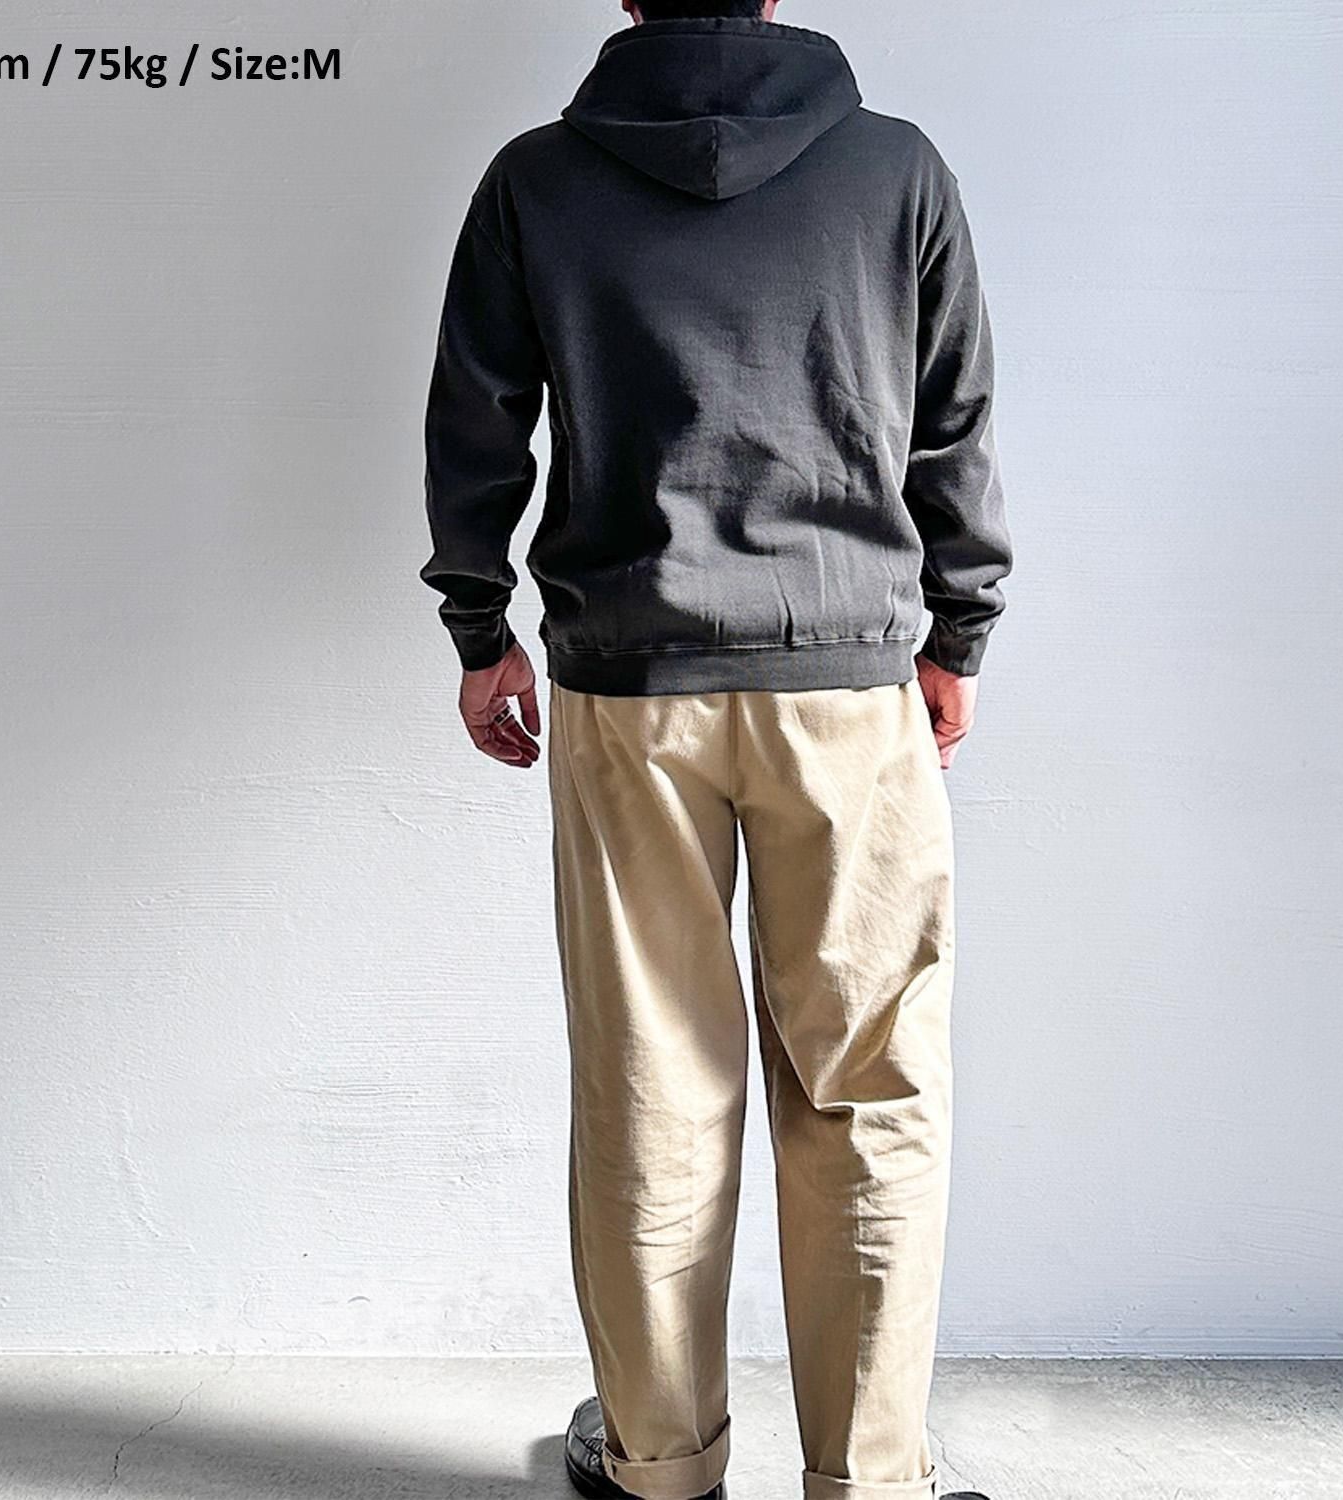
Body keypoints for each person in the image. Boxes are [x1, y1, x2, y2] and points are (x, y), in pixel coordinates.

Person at [419, 0, 1011, 1495]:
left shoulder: (538, 181)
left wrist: (481, 628)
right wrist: (956, 636)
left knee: (650, 1083)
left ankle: (661, 1469)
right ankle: (867, 1479)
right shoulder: (897, 171)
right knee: (868, 1092)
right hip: (847, 688)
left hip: (632, 688)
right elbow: (953, 424)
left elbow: (478, 424)